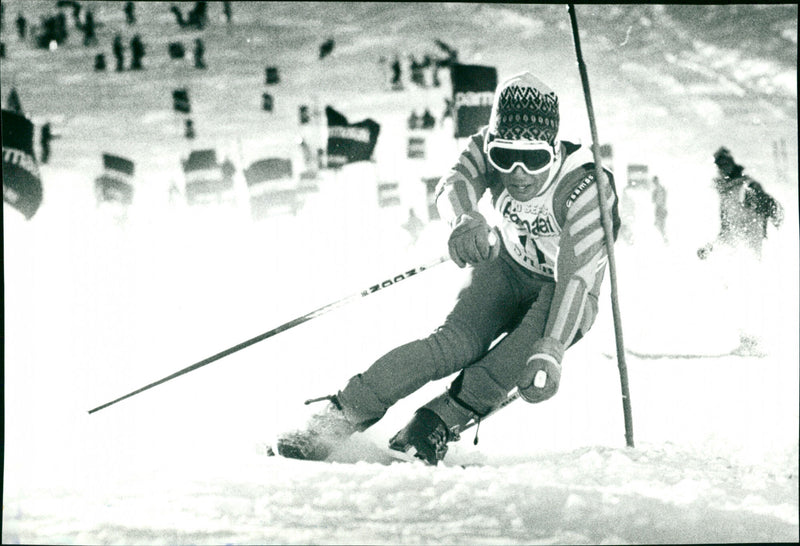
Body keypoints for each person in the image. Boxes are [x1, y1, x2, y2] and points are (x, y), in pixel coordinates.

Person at [276, 72, 620, 465]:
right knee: (452, 345)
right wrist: (463, 219)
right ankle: (339, 416)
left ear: (553, 150)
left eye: (535, 158)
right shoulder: (484, 147)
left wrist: (552, 348)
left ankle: (434, 423)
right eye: (504, 156)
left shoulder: (586, 187)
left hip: (566, 288)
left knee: (509, 363)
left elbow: (577, 276)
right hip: (507, 265)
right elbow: (453, 183)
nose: (519, 171)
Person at [697, 146, 782, 260]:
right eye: (720, 165)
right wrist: (711, 248)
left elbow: (766, 211)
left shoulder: (748, 186)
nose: (723, 168)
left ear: (732, 164)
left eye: (725, 164)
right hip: (738, 247)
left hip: (752, 243)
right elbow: (726, 231)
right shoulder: (725, 194)